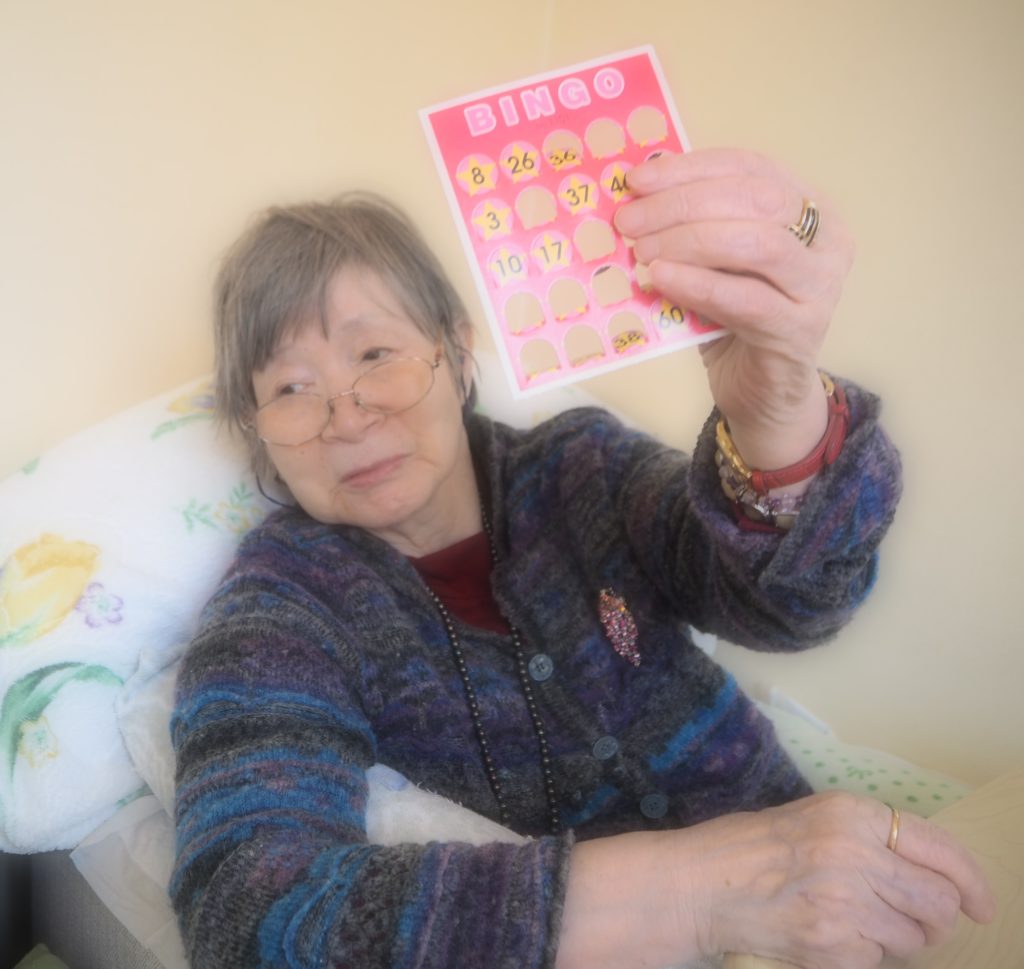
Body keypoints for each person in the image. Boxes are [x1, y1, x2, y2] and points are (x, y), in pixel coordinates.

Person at [170, 148, 993, 969]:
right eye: (290, 389)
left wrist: (777, 409)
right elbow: (244, 911)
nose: (346, 416)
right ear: (256, 429)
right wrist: (700, 894)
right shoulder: (280, 609)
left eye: (375, 354)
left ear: (457, 352)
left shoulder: (580, 467)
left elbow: (789, 605)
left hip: (842, 910)